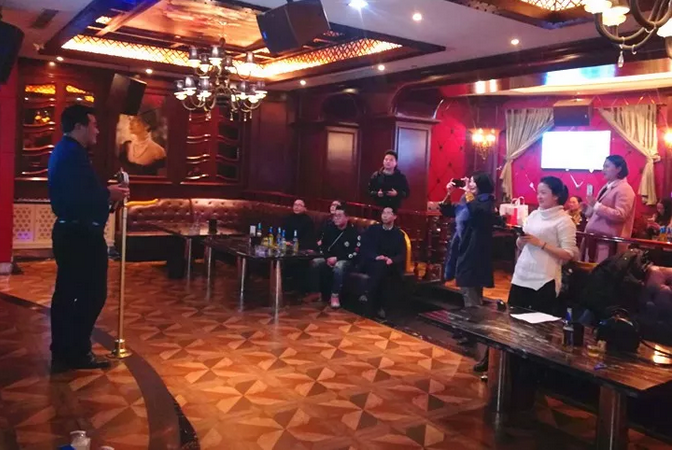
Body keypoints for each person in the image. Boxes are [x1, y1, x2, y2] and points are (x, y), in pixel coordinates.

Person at [48, 105, 129, 371]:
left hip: (73, 232)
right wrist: (108, 194)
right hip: (79, 236)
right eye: (93, 124)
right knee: (90, 294)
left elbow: (80, 192)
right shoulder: (72, 155)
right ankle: (75, 352)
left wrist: (106, 195)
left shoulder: (67, 151)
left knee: (70, 293)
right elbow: (77, 198)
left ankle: (66, 350)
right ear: (79, 126)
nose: (97, 130)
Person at [510, 176, 579, 315]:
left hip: (544, 279)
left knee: (538, 323)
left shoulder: (564, 221)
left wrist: (541, 244)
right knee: (513, 318)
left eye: (543, 193)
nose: (539, 197)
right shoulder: (534, 215)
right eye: (538, 193)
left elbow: (569, 253)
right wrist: (521, 240)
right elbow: (522, 245)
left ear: (556, 196)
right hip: (521, 275)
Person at [441, 172, 495, 309]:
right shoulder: (466, 200)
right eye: (469, 181)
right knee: (468, 287)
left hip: (475, 250)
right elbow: (448, 211)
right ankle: (475, 316)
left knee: (470, 287)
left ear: (481, 184)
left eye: (472, 181)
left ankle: (474, 317)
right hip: (462, 247)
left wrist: (468, 193)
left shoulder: (487, 201)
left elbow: (477, 212)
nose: (469, 184)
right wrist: (449, 193)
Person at [306, 205, 360, 309]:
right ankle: (315, 292)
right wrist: (327, 258)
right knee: (315, 262)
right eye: (335, 216)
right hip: (329, 257)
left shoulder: (353, 232)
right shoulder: (329, 229)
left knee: (339, 266)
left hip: (346, 260)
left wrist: (337, 258)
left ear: (347, 218)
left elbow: (355, 252)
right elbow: (323, 246)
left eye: (339, 216)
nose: (336, 218)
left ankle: (335, 295)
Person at [584, 155, 636, 260]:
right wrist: (587, 209)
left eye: (607, 166)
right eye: (603, 166)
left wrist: (597, 206)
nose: (603, 170)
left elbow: (620, 215)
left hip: (608, 245)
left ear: (618, 169)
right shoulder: (607, 187)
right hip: (595, 241)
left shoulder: (625, 189)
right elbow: (597, 211)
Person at [358, 207, 407, 319]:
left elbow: (402, 254)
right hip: (372, 261)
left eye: (388, 213)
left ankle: (368, 296)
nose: (385, 215)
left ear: (394, 217)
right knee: (379, 267)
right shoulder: (373, 229)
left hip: (390, 264)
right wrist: (376, 257)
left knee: (383, 268)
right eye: (383, 213)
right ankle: (379, 307)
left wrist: (391, 260)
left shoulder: (398, 234)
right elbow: (365, 247)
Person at [119, 109, 166, 176]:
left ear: (147, 125)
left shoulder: (158, 151)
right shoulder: (125, 147)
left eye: (136, 120)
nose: (131, 123)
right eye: (130, 119)